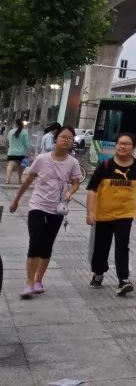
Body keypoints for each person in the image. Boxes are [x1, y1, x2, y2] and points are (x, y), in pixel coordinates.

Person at [9, 125, 83, 298]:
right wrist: (16, 200)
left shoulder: (73, 163)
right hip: (38, 206)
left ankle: (38, 280)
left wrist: (70, 192)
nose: (66, 140)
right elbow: (28, 180)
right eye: (63, 137)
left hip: (57, 210)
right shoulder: (42, 159)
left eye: (70, 138)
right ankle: (29, 283)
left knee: (47, 245)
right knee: (35, 242)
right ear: (55, 139)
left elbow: (76, 182)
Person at [86, 132, 136, 296]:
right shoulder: (105, 166)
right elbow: (92, 189)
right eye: (120, 143)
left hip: (126, 214)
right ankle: (98, 273)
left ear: (134, 147)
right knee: (101, 246)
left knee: (123, 247)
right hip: (103, 214)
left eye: (127, 144)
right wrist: (90, 212)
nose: (122, 146)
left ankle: (123, 279)